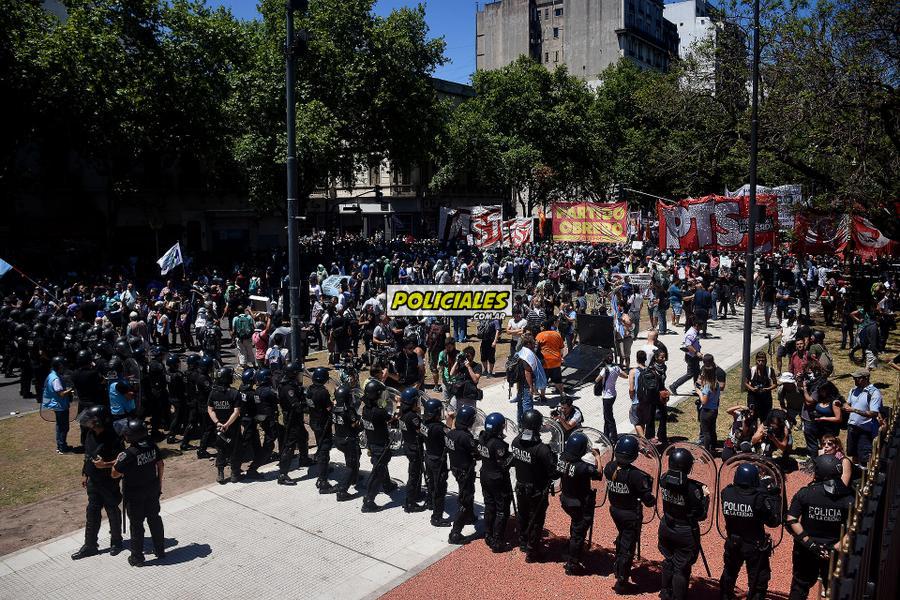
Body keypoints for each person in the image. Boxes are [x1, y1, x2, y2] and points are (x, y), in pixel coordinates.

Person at [785, 454, 855, 600]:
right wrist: (835, 547)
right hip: (834, 552)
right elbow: (855, 527)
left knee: (799, 586)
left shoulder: (805, 493)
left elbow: (791, 520)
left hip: (806, 550)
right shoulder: (849, 498)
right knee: (835, 590)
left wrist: (811, 544)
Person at [718, 463, 782, 600]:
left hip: (732, 542)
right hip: (754, 546)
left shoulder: (726, 492)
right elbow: (773, 522)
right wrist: (773, 497)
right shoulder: (758, 498)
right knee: (758, 581)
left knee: (729, 574)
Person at [71, 405, 124, 560]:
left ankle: (116, 541)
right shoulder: (90, 434)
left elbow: (122, 459)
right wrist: (85, 473)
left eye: (92, 421)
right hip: (93, 481)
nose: (89, 424)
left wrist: (105, 465)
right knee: (92, 512)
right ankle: (90, 545)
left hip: (109, 481)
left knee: (112, 510)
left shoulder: (114, 437)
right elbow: (88, 455)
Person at [604, 435, 655, 592]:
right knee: (628, 545)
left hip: (615, 510)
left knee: (623, 536)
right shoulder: (637, 476)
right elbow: (648, 500)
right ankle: (621, 579)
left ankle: (618, 562)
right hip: (630, 515)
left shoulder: (609, 467)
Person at [657, 447, 709, 600]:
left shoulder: (663, 479)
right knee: (681, 568)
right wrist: (705, 497)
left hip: (666, 526)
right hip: (684, 531)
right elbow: (701, 515)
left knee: (668, 561)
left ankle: (665, 592)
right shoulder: (693, 489)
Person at [112, 419, 165, 567]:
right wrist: (159, 483)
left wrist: (116, 461)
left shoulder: (127, 454)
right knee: (154, 519)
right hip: (153, 489)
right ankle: (160, 550)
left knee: (136, 525)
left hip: (135, 494)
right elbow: (160, 465)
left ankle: (137, 557)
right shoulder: (152, 447)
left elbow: (115, 474)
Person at [511, 409, 556, 562]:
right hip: (536, 491)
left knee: (523, 515)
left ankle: (523, 542)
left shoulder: (515, 441)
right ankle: (533, 552)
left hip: (520, 487)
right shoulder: (542, 449)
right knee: (536, 520)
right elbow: (553, 472)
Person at [557, 431, 603, 575]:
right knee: (579, 532)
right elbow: (599, 474)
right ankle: (573, 563)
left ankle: (571, 548)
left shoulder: (563, 458)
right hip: (579, 504)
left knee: (575, 524)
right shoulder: (583, 467)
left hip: (566, 500)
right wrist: (597, 457)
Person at [477, 412, 513, 552]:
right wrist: (512, 456)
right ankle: (497, 541)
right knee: (502, 509)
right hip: (497, 479)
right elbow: (504, 463)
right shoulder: (498, 444)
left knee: (489, 505)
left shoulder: (482, 438)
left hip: (485, 475)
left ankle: (488, 534)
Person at [446, 404, 479, 544]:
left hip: (456, 469)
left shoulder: (451, 433)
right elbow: (477, 453)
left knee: (468, 492)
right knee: (465, 500)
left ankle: (470, 516)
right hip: (465, 471)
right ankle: (455, 533)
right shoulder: (465, 436)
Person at [360, 378, 393, 512]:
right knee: (377, 472)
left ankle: (387, 485)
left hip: (372, 443)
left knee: (380, 465)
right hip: (380, 445)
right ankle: (369, 501)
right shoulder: (379, 412)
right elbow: (389, 417)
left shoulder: (366, 410)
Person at [277, 362, 312, 485]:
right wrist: (309, 407)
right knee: (290, 445)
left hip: (297, 419)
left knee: (303, 436)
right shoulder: (288, 388)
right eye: (297, 373)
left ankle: (304, 459)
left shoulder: (292, 384)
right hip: (291, 419)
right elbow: (296, 405)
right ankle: (282, 474)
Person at [207, 367, 242, 484]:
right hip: (232, 427)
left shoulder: (213, 393)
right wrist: (227, 424)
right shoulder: (234, 393)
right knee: (235, 449)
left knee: (221, 449)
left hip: (219, 428)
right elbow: (236, 411)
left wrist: (218, 423)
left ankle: (220, 474)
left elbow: (210, 410)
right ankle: (234, 474)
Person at [307, 367, 337, 493]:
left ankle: (323, 469)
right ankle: (323, 481)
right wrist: (335, 402)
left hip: (314, 421)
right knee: (324, 450)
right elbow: (329, 408)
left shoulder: (310, 389)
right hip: (323, 424)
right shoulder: (322, 392)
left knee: (320, 446)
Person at [844, 368, 882, 465]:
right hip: (852, 427)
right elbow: (848, 404)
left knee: (865, 457)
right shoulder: (853, 390)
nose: (855, 380)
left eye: (857, 378)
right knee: (853, 454)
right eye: (854, 378)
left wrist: (854, 410)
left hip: (865, 430)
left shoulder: (874, 393)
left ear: (866, 378)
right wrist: (843, 405)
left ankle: (864, 476)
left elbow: (874, 413)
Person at [422, 398, 451, 526]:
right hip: (438, 461)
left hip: (428, 456)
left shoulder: (424, 424)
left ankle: (430, 502)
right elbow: (451, 438)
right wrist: (451, 420)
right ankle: (437, 517)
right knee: (440, 488)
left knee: (431, 483)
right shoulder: (439, 428)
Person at [247, 368, 279, 479]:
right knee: (268, 446)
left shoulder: (258, 391)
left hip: (264, 420)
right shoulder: (268, 391)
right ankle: (253, 468)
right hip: (270, 421)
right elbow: (278, 397)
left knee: (282, 436)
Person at [398, 387, 427, 512]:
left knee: (417, 472)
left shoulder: (403, 413)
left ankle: (417, 493)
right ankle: (410, 503)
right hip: (415, 448)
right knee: (414, 475)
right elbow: (421, 430)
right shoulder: (412, 417)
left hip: (408, 446)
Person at [331, 384, 361, 501]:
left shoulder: (335, 408)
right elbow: (355, 425)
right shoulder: (348, 410)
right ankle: (343, 490)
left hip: (339, 439)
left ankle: (353, 478)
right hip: (349, 440)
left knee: (353, 458)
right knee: (351, 466)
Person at [42, 356, 74, 454]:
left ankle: (60, 445)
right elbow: (61, 393)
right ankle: (62, 447)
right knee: (63, 427)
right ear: (59, 366)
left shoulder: (51, 375)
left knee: (60, 426)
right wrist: (70, 389)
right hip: (60, 405)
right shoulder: (55, 379)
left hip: (57, 404)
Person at [595, 352, 627, 442]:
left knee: (609, 418)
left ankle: (613, 437)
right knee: (606, 416)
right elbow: (625, 376)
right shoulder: (616, 368)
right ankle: (605, 435)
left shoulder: (605, 370)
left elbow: (597, 379)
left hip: (607, 396)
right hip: (613, 394)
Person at [514, 333, 545, 425]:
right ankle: (527, 424)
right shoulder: (527, 354)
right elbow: (527, 372)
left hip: (520, 382)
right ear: (527, 344)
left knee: (520, 403)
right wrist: (531, 387)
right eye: (532, 343)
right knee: (527, 404)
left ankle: (520, 423)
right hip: (526, 384)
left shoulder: (520, 352)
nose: (533, 345)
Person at [668, 314, 701, 397]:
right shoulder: (690, 333)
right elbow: (688, 346)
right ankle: (674, 386)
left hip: (694, 356)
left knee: (697, 373)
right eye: (701, 326)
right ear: (696, 325)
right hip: (691, 356)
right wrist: (696, 352)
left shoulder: (694, 332)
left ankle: (697, 389)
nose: (702, 328)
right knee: (690, 374)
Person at [695, 360, 721, 453]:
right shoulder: (716, 384)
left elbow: (704, 401)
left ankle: (707, 453)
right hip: (714, 410)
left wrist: (699, 393)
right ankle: (713, 448)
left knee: (706, 432)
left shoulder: (707, 386)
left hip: (706, 411)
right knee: (712, 430)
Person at [536, 319, 565, 402]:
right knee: (558, 380)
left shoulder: (539, 335)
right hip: (556, 361)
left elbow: (536, 348)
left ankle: (542, 396)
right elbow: (562, 348)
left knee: (543, 380)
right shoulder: (557, 334)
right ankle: (563, 394)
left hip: (545, 362)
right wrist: (560, 357)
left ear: (544, 327)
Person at [744, 351, 776, 421]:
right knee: (752, 417)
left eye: (763, 361)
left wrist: (768, 389)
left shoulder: (770, 370)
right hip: (753, 397)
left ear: (766, 361)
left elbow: (775, 384)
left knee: (765, 419)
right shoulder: (752, 370)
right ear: (756, 360)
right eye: (759, 360)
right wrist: (752, 389)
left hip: (766, 398)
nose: (761, 363)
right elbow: (746, 383)